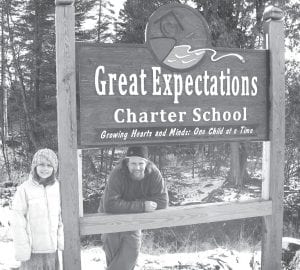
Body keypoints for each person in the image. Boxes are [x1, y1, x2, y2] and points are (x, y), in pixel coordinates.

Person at [100, 145, 168, 270]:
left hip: (133, 217)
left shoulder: (153, 173)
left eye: (140, 163)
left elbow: (163, 201)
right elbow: (110, 204)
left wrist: (136, 205)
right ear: (127, 162)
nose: (137, 167)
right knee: (113, 252)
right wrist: (142, 205)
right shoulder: (118, 173)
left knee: (131, 252)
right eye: (133, 163)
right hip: (110, 216)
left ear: (147, 162)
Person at [10, 148, 64, 270]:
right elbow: (18, 222)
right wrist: (23, 250)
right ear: (35, 166)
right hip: (32, 252)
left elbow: (61, 217)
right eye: (42, 164)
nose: (45, 168)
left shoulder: (58, 188)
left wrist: (61, 241)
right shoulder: (24, 189)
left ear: (54, 168)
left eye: (49, 165)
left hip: (51, 251)